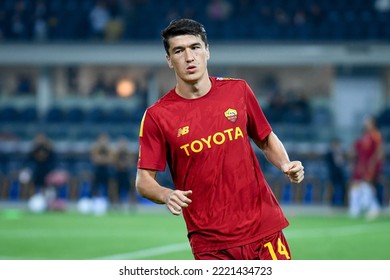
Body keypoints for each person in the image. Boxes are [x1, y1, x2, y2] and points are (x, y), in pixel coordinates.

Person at [135, 18, 304, 260]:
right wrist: (166, 194)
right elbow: (143, 181)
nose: (189, 57)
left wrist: (285, 164)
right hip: (211, 244)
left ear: (207, 51)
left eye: (195, 47)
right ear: (169, 60)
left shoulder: (238, 91)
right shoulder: (157, 116)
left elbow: (265, 139)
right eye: (179, 51)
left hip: (263, 229)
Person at [348, 115, 384, 219]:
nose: (365, 123)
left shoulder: (376, 135)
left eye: (367, 121)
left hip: (370, 165)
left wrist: (375, 165)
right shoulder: (364, 135)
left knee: (367, 184)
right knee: (355, 185)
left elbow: (379, 151)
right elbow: (355, 148)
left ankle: (373, 207)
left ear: (373, 123)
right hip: (360, 165)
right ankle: (356, 209)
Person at [111, 136, 137, 211]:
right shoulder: (116, 153)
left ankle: (132, 205)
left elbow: (131, 162)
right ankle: (116, 204)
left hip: (127, 173)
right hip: (118, 174)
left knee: (131, 189)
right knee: (115, 188)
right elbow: (113, 161)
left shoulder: (129, 153)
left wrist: (123, 164)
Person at [324, 137, 347, 207]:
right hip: (332, 174)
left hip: (340, 174)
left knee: (343, 187)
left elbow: (343, 163)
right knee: (332, 188)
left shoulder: (341, 153)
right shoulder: (329, 153)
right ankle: (331, 203)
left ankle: (343, 202)